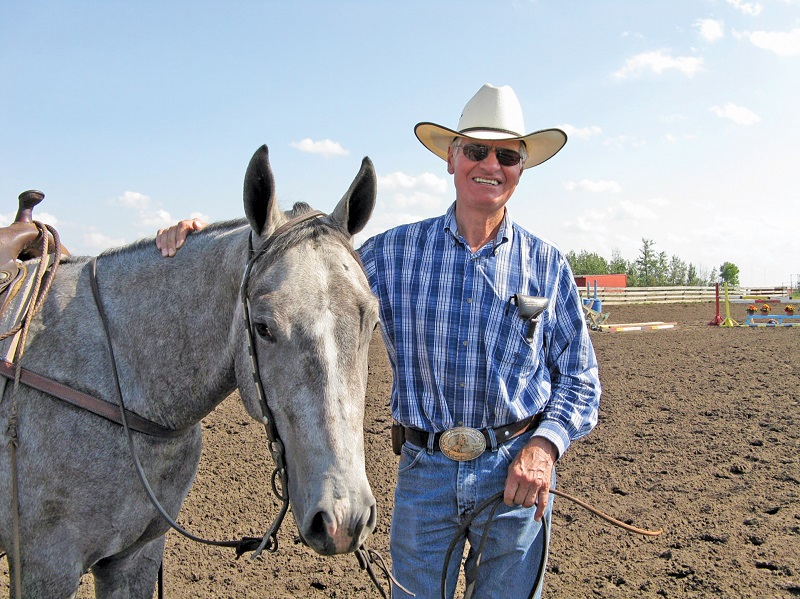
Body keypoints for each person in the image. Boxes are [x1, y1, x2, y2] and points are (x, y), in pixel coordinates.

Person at [156, 83, 601, 599]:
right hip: (426, 474)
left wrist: (545, 448)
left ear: (521, 168)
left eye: (507, 155)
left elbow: (580, 379)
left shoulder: (546, 265)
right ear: (452, 159)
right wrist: (205, 241)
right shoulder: (393, 255)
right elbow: (307, 275)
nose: (491, 165)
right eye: (476, 150)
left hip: (516, 476)